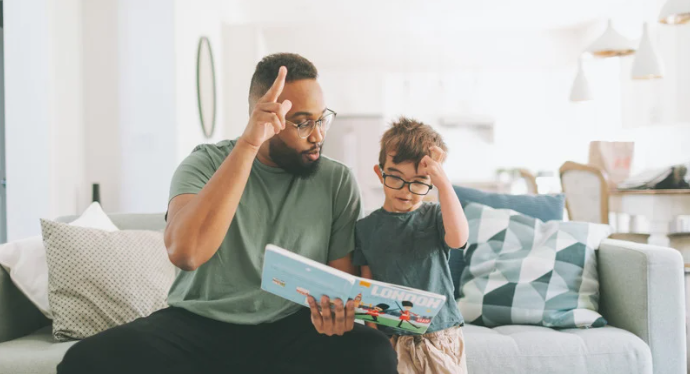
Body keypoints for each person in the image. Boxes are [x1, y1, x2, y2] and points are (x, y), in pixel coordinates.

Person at [57, 53, 397, 374]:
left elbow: (339, 283)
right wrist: (247, 147)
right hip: (198, 324)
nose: (319, 134)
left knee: (373, 353)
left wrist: (335, 314)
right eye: (302, 123)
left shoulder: (336, 180)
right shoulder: (203, 163)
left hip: (292, 326)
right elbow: (186, 253)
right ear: (262, 118)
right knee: (85, 360)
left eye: (322, 118)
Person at [354, 117, 470, 374]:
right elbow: (367, 285)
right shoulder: (365, 228)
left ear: (430, 182)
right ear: (379, 173)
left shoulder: (435, 216)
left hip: (438, 336)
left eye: (418, 182)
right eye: (395, 177)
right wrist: (375, 339)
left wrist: (443, 184)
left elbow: (459, 238)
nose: (405, 191)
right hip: (390, 340)